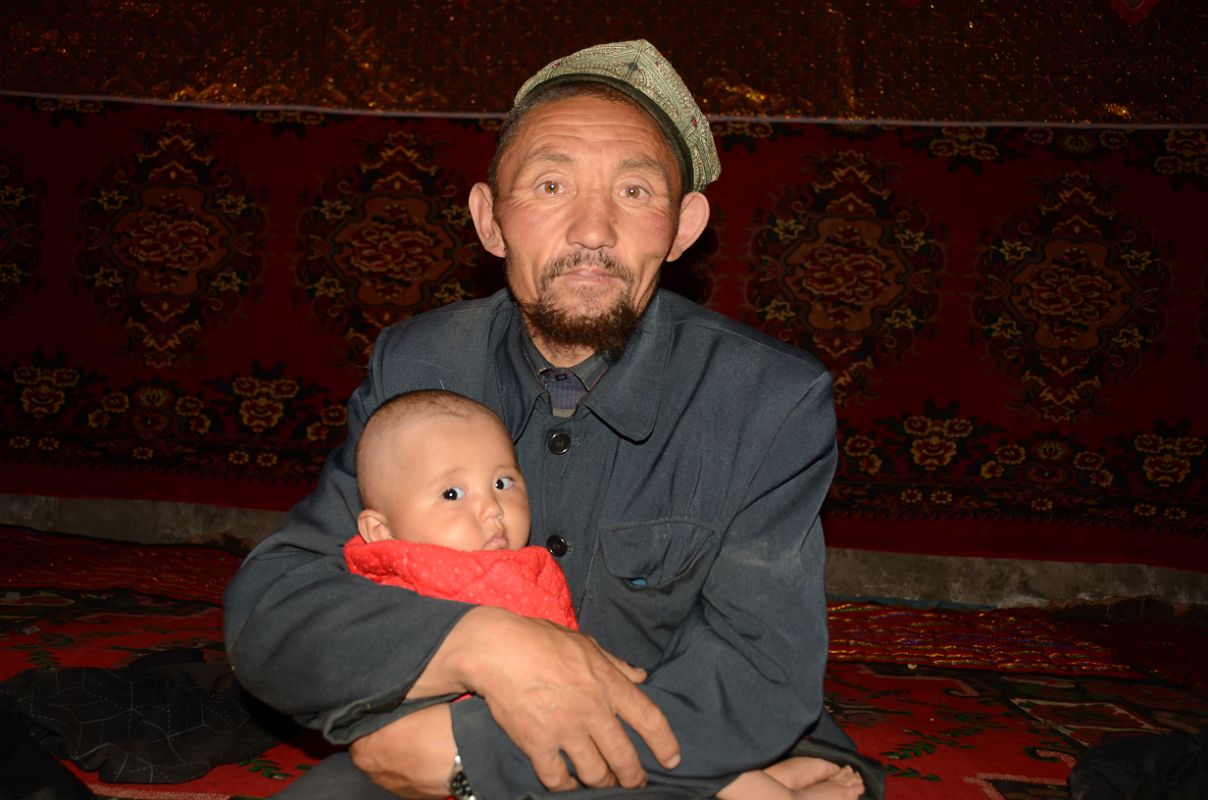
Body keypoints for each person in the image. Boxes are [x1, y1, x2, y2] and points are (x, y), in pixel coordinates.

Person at [224, 38, 884, 800]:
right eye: (549, 185)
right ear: (490, 220)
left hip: (677, 743)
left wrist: (471, 758)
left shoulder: (769, 398)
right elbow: (274, 607)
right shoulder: (421, 366)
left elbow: (757, 675)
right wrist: (486, 645)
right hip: (484, 719)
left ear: (683, 227)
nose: (593, 231)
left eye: (635, 193)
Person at [344, 389, 865, 800]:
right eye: (452, 493)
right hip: (494, 727)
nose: (491, 511)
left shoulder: (434, 564)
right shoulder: (458, 575)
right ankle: (764, 791)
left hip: (516, 724)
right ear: (379, 530)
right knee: (633, 744)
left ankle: (758, 780)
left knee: (624, 751)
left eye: (502, 482)